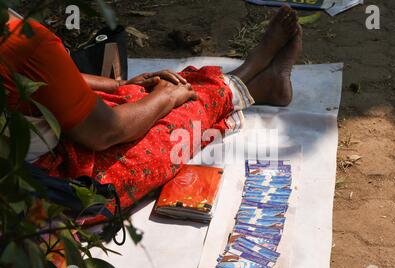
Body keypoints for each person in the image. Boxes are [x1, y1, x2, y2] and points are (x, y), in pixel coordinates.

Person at [0, 6, 302, 209]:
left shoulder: (16, 37)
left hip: (24, 155)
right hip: (38, 189)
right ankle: (246, 77)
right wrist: (167, 99)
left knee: (140, 94)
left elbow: (54, 78)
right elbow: (106, 132)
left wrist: (120, 87)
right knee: (172, 122)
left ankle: (251, 83)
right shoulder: (21, 39)